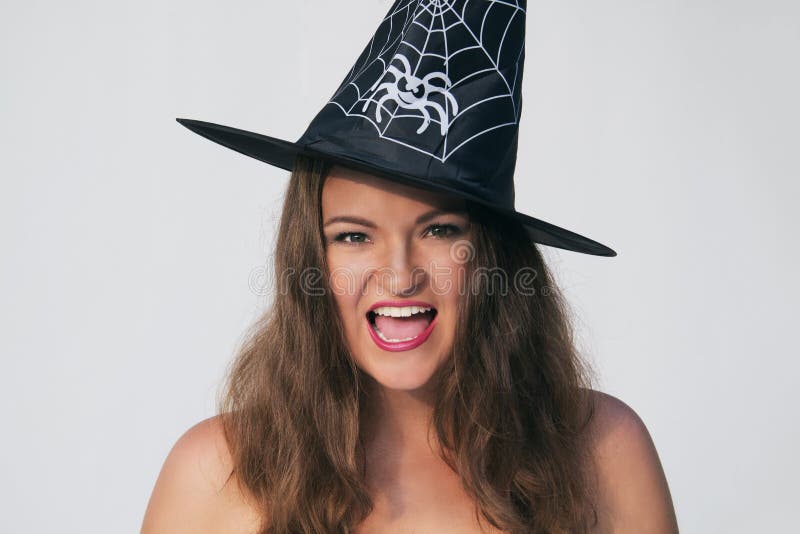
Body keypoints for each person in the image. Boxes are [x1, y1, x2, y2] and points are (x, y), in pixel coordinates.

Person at [142, 1, 679, 531]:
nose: (399, 277)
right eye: (353, 236)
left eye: (439, 230)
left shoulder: (603, 452)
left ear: (493, 255)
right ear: (310, 256)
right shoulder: (215, 473)